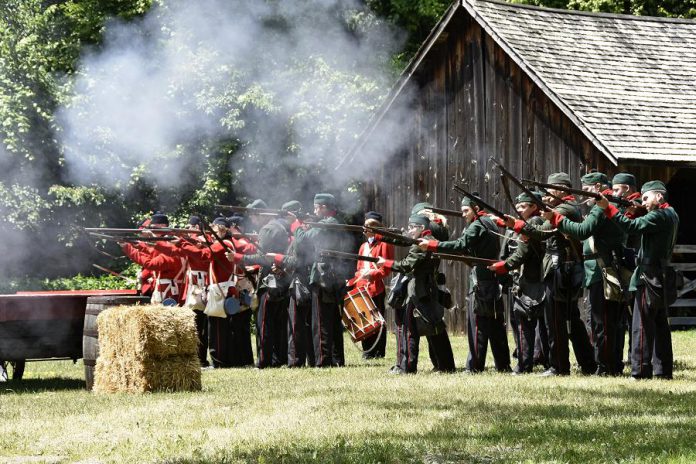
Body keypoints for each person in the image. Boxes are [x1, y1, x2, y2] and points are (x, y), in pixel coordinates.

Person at [507, 173, 596, 376]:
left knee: (555, 320)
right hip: (561, 268)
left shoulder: (564, 208)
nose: (545, 195)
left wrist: (517, 225)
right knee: (571, 319)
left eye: (549, 190)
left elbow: (541, 232)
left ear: (561, 189)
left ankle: (559, 366)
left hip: (560, 270)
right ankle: (587, 363)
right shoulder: (562, 208)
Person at [541, 172, 627, 375]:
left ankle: (606, 367)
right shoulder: (601, 204)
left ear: (597, 186)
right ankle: (608, 365)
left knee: (602, 321)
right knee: (603, 321)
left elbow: (582, 231)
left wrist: (555, 218)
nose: (584, 195)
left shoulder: (600, 205)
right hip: (597, 268)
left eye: (587, 190)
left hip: (602, 268)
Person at [418, 195, 511, 373]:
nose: (463, 214)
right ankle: (503, 365)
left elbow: (461, 245)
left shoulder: (478, 224)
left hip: (480, 281)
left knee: (477, 326)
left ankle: (474, 367)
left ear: (476, 208)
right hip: (490, 279)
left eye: (466, 210)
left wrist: (432, 245)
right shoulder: (488, 222)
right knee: (495, 326)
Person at [598, 180, 679, 379]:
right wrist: (639, 210)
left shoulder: (658, 215)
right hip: (659, 273)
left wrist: (607, 207)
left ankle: (640, 371)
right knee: (660, 324)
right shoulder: (671, 213)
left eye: (646, 198)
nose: (644, 202)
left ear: (659, 196)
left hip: (648, 274)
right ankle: (662, 370)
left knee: (641, 324)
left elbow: (631, 227)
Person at [377, 214, 450, 373]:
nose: (409, 230)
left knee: (410, 329)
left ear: (421, 228)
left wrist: (386, 263)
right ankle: (444, 365)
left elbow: (407, 265)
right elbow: (403, 239)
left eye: (412, 227)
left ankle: (407, 367)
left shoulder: (421, 244)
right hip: (426, 289)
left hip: (416, 291)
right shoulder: (429, 239)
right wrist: (379, 235)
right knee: (432, 327)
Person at [488, 192, 545, 374]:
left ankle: (527, 364)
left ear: (534, 207)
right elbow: (506, 251)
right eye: (518, 207)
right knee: (519, 324)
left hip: (533, 279)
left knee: (529, 325)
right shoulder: (516, 227)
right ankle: (526, 362)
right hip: (518, 281)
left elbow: (522, 253)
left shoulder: (534, 224)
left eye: (523, 207)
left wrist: (504, 266)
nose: (519, 210)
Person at [347, 211, 394, 358]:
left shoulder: (384, 244)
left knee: (378, 322)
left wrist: (371, 275)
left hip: (375, 288)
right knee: (364, 321)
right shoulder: (363, 246)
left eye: (368, 226)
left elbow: (386, 269)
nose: (365, 229)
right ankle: (367, 351)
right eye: (365, 226)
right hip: (361, 287)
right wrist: (355, 279)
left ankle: (378, 352)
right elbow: (359, 268)